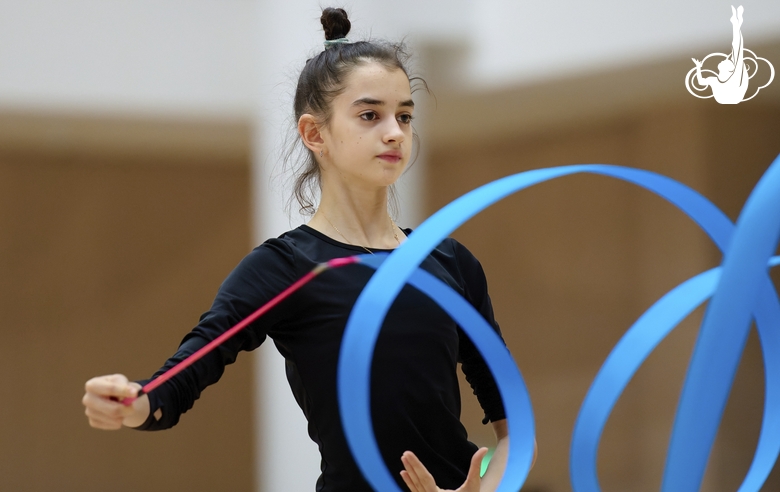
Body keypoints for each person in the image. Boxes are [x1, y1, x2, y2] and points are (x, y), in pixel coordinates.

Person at [83, 8, 529, 491]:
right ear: (315, 134)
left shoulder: (451, 263)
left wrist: (485, 486)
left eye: (404, 115)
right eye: (369, 115)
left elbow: (514, 426)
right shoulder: (285, 267)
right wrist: (132, 403)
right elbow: (184, 375)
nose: (395, 132)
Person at [692, 5, 748, 104]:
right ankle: (736, 24)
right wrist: (698, 67)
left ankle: (736, 24)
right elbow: (701, 82)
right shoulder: (715, 80)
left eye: (726, 61)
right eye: (727, 60)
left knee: (737, 49)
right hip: (728, 99)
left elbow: (737, 49)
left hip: (732, 97)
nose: (724, 59)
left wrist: (736, 26)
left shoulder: (734, 77)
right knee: (736, 50)